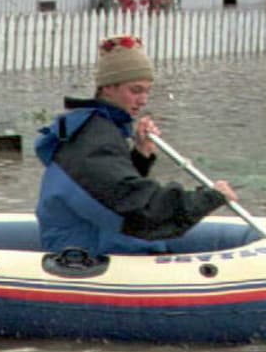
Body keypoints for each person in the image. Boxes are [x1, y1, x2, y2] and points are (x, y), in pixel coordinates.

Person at [35, 34, 241, 257]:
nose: (143, 100)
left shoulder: (93, 129)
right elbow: (144, 213)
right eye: (135, 90)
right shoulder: (94, 141)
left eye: (147, 91)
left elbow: (108, 189)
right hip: (88, 257)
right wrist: (209, 197)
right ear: (108, 88)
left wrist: (140, 156)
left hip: (98, 241)